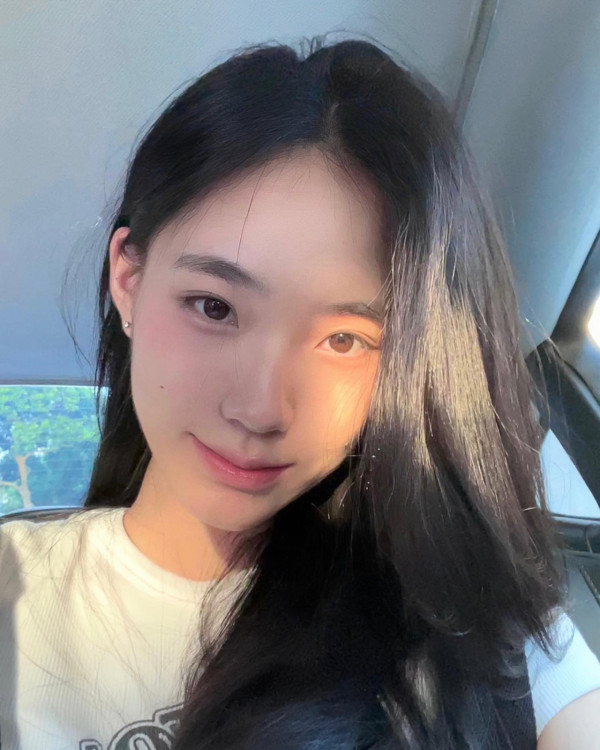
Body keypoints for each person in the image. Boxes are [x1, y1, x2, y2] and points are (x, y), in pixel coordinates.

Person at [1, 33, 600, 750]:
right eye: (214, 307)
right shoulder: (16, 592)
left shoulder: (482, 637)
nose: (259, 410)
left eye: (345, 339)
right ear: (128, 281)